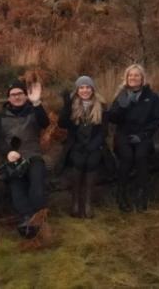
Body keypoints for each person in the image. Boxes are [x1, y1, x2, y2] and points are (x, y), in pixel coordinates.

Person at [0, 80, 51, 238]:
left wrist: (37, 102)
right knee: (16, 189)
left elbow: (45, 122)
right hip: (11, 160)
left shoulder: (33, 111)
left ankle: (36, 221)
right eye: (13, 95)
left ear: (25, 95)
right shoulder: (0, 116)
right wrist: (8, 152)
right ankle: (27, 219)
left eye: (20, 94)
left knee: (37, 186)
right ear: (8, 98)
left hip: (33, 155)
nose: (16, 97)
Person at [106, 64, 159, 213]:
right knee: (127, 156)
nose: (133, 78)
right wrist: (122, 107)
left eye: (136, 75)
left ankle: (142, 194)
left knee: (141, 156)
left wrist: (143, 135)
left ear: (142, 78)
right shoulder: (121, 95)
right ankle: (121, 194)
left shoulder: (151, 97)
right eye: (130, 75)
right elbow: (112, 118)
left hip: (143, 135)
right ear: (126, 78)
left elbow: (157, 120)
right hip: (123, 134)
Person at [58, 75, 109, 218]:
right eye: (81, 87)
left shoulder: (101, 105)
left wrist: (94, 144)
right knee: (78, 162)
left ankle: (87, 204)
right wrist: (66, 104)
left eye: (87, 87)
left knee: (92, 162)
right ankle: (75, 203)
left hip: (95, 144)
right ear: (77, 90)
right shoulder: (72, 104)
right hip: (76, 144)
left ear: (92, 89)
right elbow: (62, 124)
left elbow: (104, 131)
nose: (85, 90)